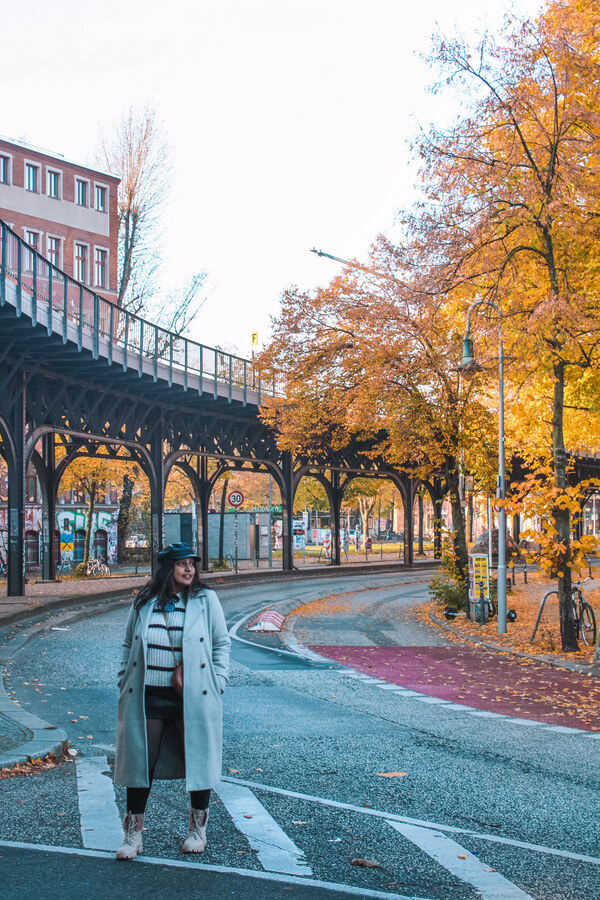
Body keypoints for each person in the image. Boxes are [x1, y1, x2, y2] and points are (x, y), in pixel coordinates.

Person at [113, 542, 230, 860]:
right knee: (141, 765)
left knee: (197, 759)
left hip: (193, 695)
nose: (189, 569)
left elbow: (221, 644)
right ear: (167, 569)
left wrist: (217, 682)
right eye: (182, 564)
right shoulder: (145, 601)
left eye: (192, 563)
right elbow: (128, 642)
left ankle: (197, 830)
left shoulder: (206, 600)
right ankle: (133, 836)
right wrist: (124, 678)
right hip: (148, 695)